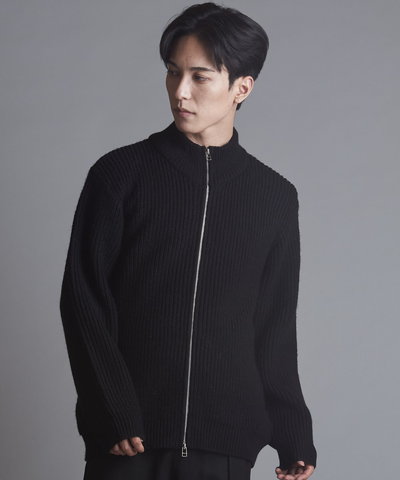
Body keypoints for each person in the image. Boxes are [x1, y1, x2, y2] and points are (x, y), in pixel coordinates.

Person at [59, 2, 317, 479]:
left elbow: (274, 325)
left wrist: (293, 431)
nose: (180, 91)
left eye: (200, 77)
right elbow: (84, 301)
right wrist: (111, 407)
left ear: (242, 87)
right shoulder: (120, 175)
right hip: (128, 439)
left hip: (224, 444)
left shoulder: (273, 197)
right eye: (173, 72)